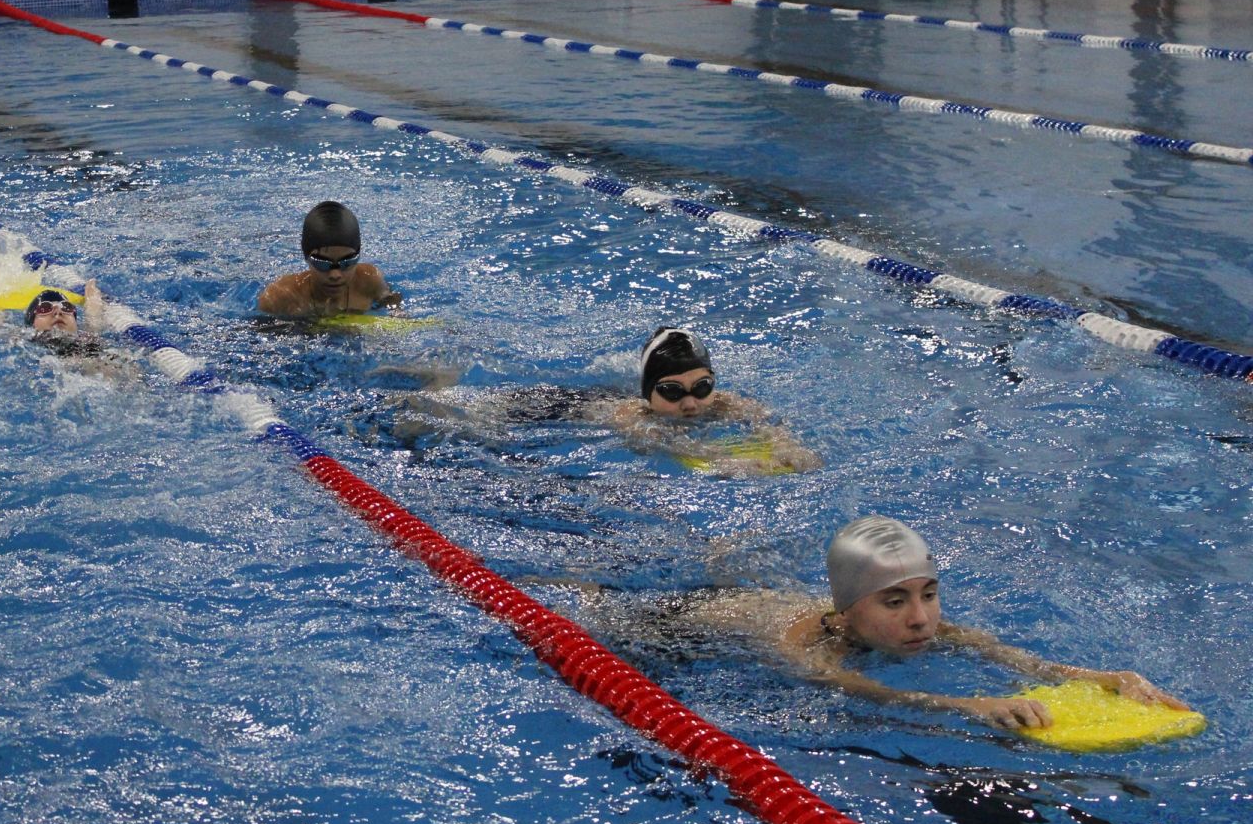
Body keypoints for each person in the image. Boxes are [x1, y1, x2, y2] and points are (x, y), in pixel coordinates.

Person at [594, 516, 1189, 732]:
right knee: (587, 612)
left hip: (754, 597)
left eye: (928, 595)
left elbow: (1022, 661)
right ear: (848, 611)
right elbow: (859, 689)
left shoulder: (933, 624)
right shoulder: (807, 644)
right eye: (895, 602)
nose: (922, 618)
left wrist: (1109, 675)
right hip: (676, 625)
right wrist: (968, 707)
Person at [398, 326, 818, 477]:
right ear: (647, 394)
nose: (691, 403)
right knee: (435, 415)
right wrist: (731, 462)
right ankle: (440, 375)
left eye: (702, 387)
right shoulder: (631, 417)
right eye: (672, 392)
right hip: (541, 409)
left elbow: (782, 434)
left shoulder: (725, 403)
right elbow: (674, 448)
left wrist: (787, 450)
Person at [256, 201, 402, 319]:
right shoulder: (280, 298)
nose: (335, 274)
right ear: (306, 257)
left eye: (347, 262)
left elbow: (393, 305)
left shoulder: (370, 281)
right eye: (323, 263)